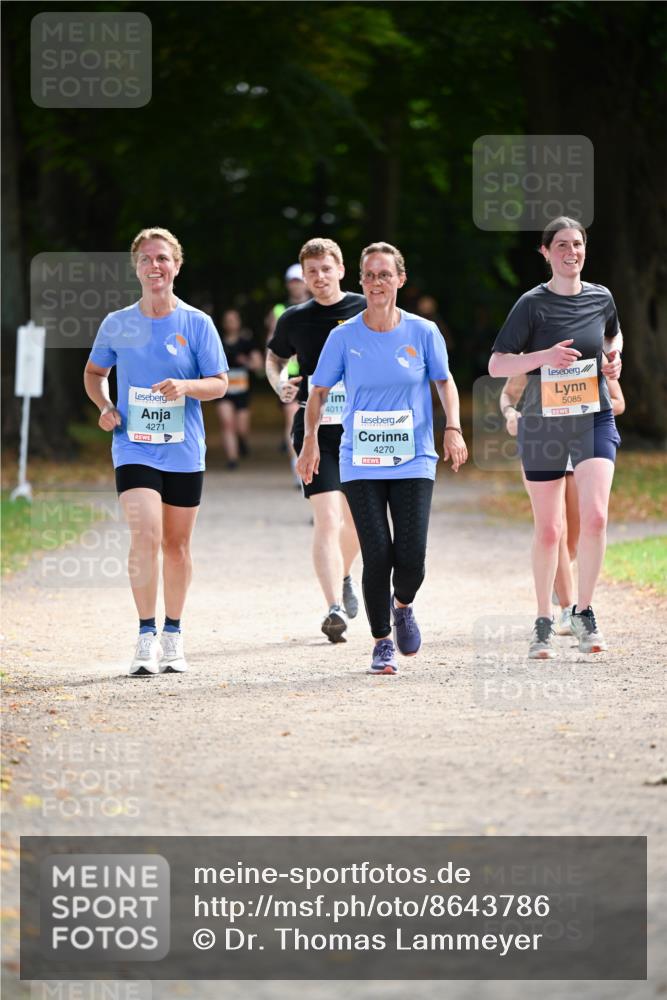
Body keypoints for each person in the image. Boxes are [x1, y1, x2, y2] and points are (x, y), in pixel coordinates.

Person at [297, 242, 467, 674]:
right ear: (361, 281)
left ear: (400, 280)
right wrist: (311, 440)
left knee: (411, 558)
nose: (376, 282)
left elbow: (444, 382)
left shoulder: (423, 332)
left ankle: (403, 605)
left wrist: (452, 427)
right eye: (369, 275)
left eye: (384, 274)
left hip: (413, 458)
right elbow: (318, 392)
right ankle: (381, 641)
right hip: (361, 459)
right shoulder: (343, 336)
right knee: (377, 554)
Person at [84, 227, 228, 676]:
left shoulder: (197, 324)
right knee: (145, 533)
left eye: (162, 258)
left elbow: (220, 383)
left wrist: (185, 386)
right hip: (134, 446)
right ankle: (145, 635)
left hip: (184, 449)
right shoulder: (118, 323)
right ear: (136, 267)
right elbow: (94, 373)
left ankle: (173, 633)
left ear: (176, 265)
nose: (154, 266)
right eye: (146, 259)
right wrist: (106, 406)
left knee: (177, 545)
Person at [489, 216, 623, 658]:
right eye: (562, 245)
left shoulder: (601, 296)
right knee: (549, 531)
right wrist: (544, 357)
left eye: (578, 244)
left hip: (593, 418)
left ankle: (584, 612)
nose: (572, 251)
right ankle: (544, 620)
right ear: (545, 253)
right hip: (543, 425)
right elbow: (497, 365)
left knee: (597, 517)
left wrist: (613, 359)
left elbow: (611, 336)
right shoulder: (532, 304)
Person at [266, 238, 364, 643]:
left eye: (326, 269)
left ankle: (343, 573)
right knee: (328, 518)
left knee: (359, 521)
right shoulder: (294, 318)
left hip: (365, 431)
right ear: (303, 278)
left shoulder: (364, 308)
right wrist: (278, 386)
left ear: (340, 269)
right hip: (315, 430)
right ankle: (333, 609)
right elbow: (275, 359)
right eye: (311, 272)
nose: (319, 278)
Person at [500, 373, 626, 637]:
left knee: (574, 537)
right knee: (555, 528)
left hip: (584, 437)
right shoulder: (534, 353)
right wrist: (511, 413)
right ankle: (568, 606)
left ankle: (561, 581)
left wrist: (578, 404)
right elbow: (508, 395)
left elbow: (618, 401)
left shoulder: (590, 348)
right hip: (544, 439)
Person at [216, 309, 263, 468]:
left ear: (239, 322)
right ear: (224, 323)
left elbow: (258, 365)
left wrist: (247, 362)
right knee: (227, 423)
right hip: (223, 391)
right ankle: (232, 459)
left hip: (242, 391)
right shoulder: (217, 342)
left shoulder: (247, 343)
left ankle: (242, 441)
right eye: (228, 320)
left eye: (234, 319)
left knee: (242, 428)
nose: (231, 323)